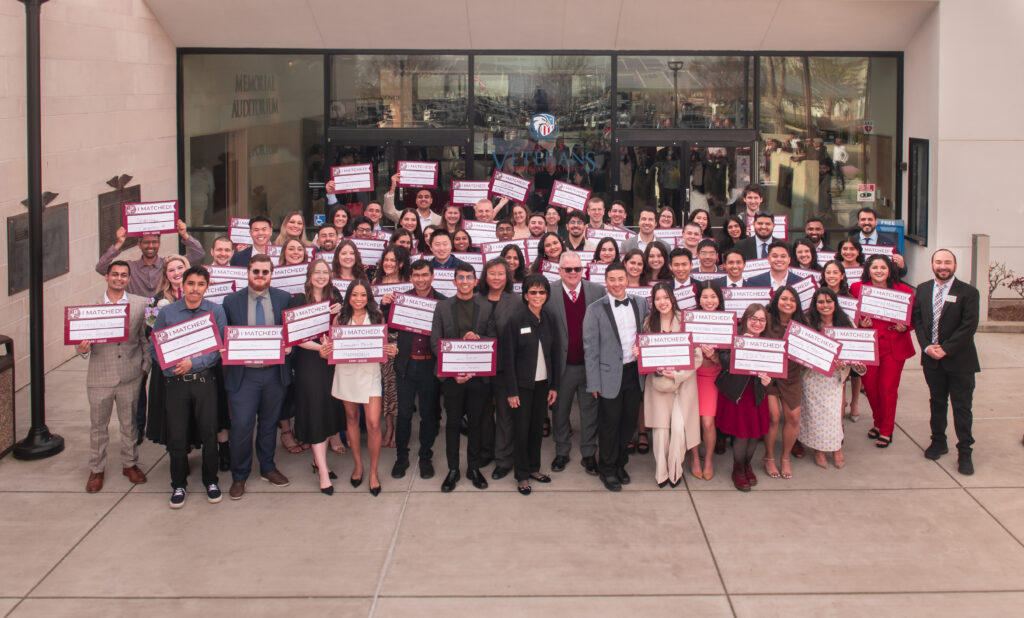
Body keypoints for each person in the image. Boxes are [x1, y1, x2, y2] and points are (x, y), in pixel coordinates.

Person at [148, 266, 226, 508]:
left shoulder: (216, 310)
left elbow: (219, 347)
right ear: (183, 285)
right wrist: (172, 369)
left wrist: (194, 363)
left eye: (200, 284)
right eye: (190, 283)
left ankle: (211, 481)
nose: (195, 289)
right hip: (176, 384)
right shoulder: (168, 313)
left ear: (207, 286)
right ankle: (178, 484)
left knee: (209, 433)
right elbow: (155, 347)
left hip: (204, 382)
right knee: (177, 436)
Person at [221, 254, 294, 500]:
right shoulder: (231, 301)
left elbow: (291, 332)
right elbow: (224, 334)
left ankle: (267, 467)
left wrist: (289, 346)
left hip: (273, 374)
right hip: (244, 376)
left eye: (265, 272)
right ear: (248, 273)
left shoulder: (284, 299)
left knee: (268, 424)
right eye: (256, 272)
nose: (260, 276)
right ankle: (239, 475)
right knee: (242, 426)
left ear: (272, 274)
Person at [78, 261, 150, 493]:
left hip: (130, 374)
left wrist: (145, 366)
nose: (119, 278)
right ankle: (96, 468)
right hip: (100, 375)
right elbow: (79, 342)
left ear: (129, 279)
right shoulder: (91, 307)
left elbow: (143, 339)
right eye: (115, 275)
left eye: (124, 275)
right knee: (99, 426)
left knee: (130, 424)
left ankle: (130, 464)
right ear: (107, 277)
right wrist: (82, 349)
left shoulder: (139, 304)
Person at [911, 249, 980, 475]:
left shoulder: (969, 292)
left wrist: (946, 349)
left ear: (954, 265)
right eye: (939, 262)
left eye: (947, 262)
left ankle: (965, 452)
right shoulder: (922, 289)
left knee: (962, 407)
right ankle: (938, 441)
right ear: (932, 264)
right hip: (931, 359)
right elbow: (918, 321)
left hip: (960, 360)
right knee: (937, 402)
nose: (943, 266)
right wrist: (927, 346)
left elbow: (969, 326)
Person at [583, 262, 650, 491]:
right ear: (606, 281)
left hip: (634, 373)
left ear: (627, 280)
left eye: (621, 279)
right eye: (612, 279)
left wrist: (646, 351)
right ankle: (607, 468)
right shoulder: (594, 309)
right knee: (609, 424)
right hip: (608, 375)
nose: (617, 284)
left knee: (628, 423)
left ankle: (621, 464)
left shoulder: (640, 303)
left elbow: (648, 335)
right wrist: (593, 382)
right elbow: (590, 349)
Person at [431, 262, 497, 492]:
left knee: (477, 424)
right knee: (452, 424)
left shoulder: (487, 306)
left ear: (476, 281)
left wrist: (478, 337)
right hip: (452, 379)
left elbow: (493, 337)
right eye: (461, 278)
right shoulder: (442, 307)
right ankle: (453, 470)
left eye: (469, 277)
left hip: (478, 377)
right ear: (454, 281)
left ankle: (473, 467)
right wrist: (452, 372)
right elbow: (435, 342)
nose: (465, 282)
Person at [322, 279, 388, 495]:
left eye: (363, 295)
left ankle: (374, 472)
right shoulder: (339, 318)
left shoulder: (377, 316)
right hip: (346, 373)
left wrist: (390, 349)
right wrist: (326, 349)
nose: (359, 299)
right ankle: (358, 465)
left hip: (370, 373)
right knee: (351, 419)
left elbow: (383, 344)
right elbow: (332, 348)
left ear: (368, 297)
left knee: (374, 423)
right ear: (348, 297)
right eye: (354, 295)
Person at [545, 251, 606, 475]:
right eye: (568, 269)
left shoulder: (597, 291)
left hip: (589, 366)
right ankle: (562, 451)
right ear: (559, 270)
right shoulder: (549, 293)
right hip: (562, 367)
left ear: (583, 270)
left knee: (589, 412)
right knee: (560, 412)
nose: (573, 273)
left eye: (577, 269)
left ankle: (588, 454)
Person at [501, 274, 560, 495]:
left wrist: (554, 386)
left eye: (541, 292)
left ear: (547, 295)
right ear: (525, 295)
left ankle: (534, 468)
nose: (537, 296)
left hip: (543, 385)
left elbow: (554, 354)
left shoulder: (550, 318)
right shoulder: (515, 320)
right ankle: (522, 475)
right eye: (533, 292)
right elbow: (508, 358)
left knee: (537, 429)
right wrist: (512, 390)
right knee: (521, 430)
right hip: (522, 387)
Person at [288, 259, 344, 494]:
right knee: (315, 412)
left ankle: (317, 460)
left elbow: (345, 328)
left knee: (330, 407)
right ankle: (322, 471)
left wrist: (342, 311)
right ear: (309, 275)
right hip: (309, 362)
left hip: (332, 363)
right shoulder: (299, 300)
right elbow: (295, 335)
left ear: (330, 275)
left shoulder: (337, 297)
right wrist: (317, 349)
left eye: (325, 272)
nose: (321, 276)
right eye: (317, 272)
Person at [637, 282, 700, 487]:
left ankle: (676, 469)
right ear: (653, 302)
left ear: (672, 299)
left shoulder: (685, 321)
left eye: (665, 298)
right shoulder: (648, 323)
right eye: (658, 299)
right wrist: (641, 355)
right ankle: (661, 472)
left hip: (683, 385)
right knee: (661, 430)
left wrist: (679, 374)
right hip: (658, 384)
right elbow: (646, 355)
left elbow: (697, 356)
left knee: (679, 429)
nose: (662, 302)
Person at [850, 255, 915, 449]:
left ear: (890, 270)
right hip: (869, 345)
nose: (879, 270)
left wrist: (906, 326)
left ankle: (886, 430)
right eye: (875, 267)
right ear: (868, 270)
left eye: (883, 267)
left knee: (887, 388)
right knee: (870, 387)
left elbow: (914, 316)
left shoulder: (904, 290)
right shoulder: (857, 288)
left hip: (893, 345)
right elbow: (849, 312)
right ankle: (878, 422)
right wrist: (860, 321)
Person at [389, 260, 446, 480]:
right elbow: (390, 327)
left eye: (424, 275)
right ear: (411, 277)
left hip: (429, 366)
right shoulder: (401, 300)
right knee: (403, 415)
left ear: (432, 276)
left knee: (428, 415)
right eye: (416, 275)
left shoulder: (442, 302)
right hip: (405, 365)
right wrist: (386, 305)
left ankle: (425, 456)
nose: (420, 279)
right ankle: (401, 457)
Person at [801, 287, 862, 469]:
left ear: (835, 303)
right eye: (821, 302)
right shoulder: (808, 322)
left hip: (836, 379)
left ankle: (836, 448)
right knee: (814, 415)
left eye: (829, 301)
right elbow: (802, 352)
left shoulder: (846, 322)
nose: (825, 305)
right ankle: (818, 450)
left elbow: (857, 351)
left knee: (834, 415)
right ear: (815, 304)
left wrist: (854, 364)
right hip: (813, 377)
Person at [714, 304, 772, 492]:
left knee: (754, 433)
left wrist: (767, 381)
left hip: (756, 391)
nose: (757, 323)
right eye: (753, 319)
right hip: (738, 392)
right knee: (741, 433)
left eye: (761, 320)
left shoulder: (769, 341)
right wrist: (740, 345)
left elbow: (775, 369)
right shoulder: (733, 335)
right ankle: (738, 467)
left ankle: (747, 464)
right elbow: (723, 360)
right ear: (745, 319)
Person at [478, 258, 522, 480]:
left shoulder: (516, 301)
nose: (496, 278)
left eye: (500, 274)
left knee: (505, 415)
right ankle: (487, 451)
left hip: (506, 367)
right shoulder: (476, 299)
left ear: (508, 277)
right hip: (479, 368)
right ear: (485, 276)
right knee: (484, 412)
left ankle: (504, 459)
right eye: (492, 273)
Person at [95, 218, 204, 296]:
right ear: (139, 244)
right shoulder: (130, 267)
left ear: (159, 243)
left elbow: (199, 253)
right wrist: (119, 243)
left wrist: (184, 234)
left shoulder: (169, 264)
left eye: (154, 242)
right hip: (137, 318)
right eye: (146, 242)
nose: (151, 246)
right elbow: (101, 267)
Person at [763, 285, 807, 479]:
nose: (788, 303)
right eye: (784, 299)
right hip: (770, 377)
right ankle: (769, 456)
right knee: (773, 417)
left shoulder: (801, 326)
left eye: (792, 300)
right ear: (776, 300)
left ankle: (785, 457)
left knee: (794, 417)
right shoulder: (767, 319)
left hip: (792, 376)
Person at [374, 245, 411, 448]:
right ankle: (388, 427)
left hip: (400, 342)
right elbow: (369, 315)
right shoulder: (375, 284)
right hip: (381, 342)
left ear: (401, 264)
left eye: (393, 261)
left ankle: (397, 428)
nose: (388, 264)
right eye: (386, 260)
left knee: (397, 388)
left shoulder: (409, 285)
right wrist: (381, 304)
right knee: (385, 387)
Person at [692, 281, 725, 479]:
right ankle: (695, 457)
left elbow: (730, 356)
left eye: (713, 296)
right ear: (699, 300)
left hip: (713, 377)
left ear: (719, 299)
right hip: (693, 375)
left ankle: (709, 458)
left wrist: (715, 357)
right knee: (693, 421)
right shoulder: (691, 320)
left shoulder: (726, 321)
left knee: (708, 423)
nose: (709, 301)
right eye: (705, 297)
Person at [850, 207, 906, 277]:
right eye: (863, 219)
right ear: (858, 222)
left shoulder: (889, 243)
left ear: (876, 222)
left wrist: (901, 266)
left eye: (870, 219)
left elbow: (902, 273)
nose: (867, 222)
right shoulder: (850, 242)